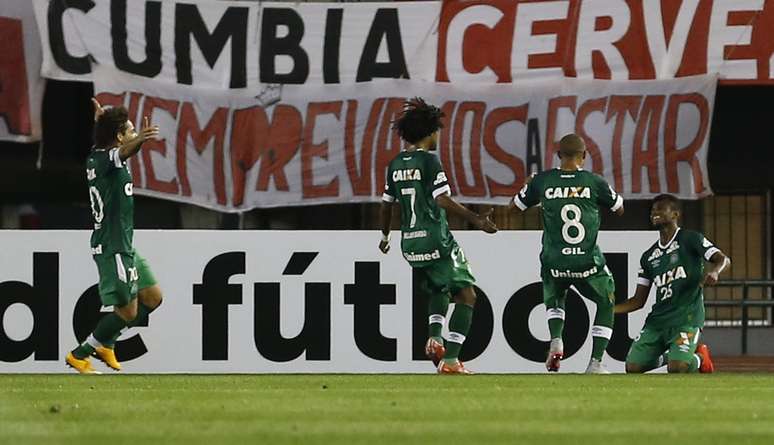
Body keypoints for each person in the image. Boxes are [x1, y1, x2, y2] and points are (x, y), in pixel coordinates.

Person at [379, 97, 497, 374]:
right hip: (435, 238)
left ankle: (434, 338)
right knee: (467, 296)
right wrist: (476, 219)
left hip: (410, 243)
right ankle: (452, 360)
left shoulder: (396, 164)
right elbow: (442, 199)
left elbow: (386, 204)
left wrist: (385, 237)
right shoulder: (429, 162)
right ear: (429, 133)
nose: (438, 137)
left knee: (438, 288)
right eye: (436, 132)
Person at [510, 133, 624, 373]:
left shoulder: (542, 181)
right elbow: (619, 208)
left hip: (554, 261)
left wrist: (528, 184)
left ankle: (556, 340)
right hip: (586, 261)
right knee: (606, 301)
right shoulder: (595, 182)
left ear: (558, 155)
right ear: (584, 156)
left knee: (556, 297)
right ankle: (595, 363)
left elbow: (514, 208)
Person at [65, 99, 164, 373]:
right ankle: (80, 354)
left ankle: (106, 343)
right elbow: (124, 152)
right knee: (129, 311)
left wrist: (102, 120)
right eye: (130, 130)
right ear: (119, 137)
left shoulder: (101, 154)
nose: (134, 133)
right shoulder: (106, 159)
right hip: (112, 246)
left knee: (154, 297)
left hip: (125, 243)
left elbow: (117, 147)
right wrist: (140, 141)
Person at [614, 194, 729, 373]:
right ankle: (669, 356)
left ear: (675, 214)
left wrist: (715, 271)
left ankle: (699, 358)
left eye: (660, 209)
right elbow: (638, 300)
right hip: (657, 322)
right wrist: (610, 310)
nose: (654, 213)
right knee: (633, 367)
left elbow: (723, 259)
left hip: (686, 319)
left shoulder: (691, 239)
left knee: (677, 368)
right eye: (652, 210)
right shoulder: (648, 256)